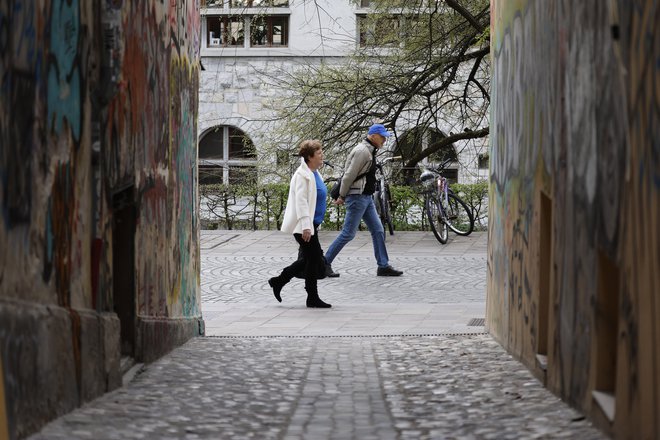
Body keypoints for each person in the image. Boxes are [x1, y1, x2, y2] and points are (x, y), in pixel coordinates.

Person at [325, 124, 403, 277]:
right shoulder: (362, 151)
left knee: (378, 230)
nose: (384, 141)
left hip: (366, 198)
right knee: (348, 233)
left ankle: (383, 266)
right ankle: (324, 263)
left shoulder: (369, 150)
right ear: (373, 136)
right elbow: (348, 176)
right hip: (357, 197)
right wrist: (341, 196)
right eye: (382, 137)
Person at [268, 140, 332, 308]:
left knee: (310, 259)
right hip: (303, 226)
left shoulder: (314, 173)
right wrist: (306, 226)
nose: (322, 155)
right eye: (319, 153)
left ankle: (279, 281)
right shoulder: (302, 175)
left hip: (312, 225)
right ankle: (311, 297)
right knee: (314, 259)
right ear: (310, 157)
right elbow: (301, 202)